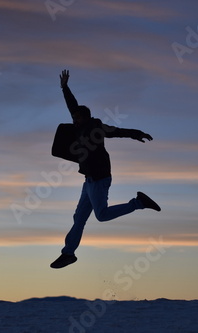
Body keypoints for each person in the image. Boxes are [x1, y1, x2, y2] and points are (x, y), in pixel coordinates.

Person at [50, 70, 161, 269]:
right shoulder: (80, 125)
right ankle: (68, 253)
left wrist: (136, 134)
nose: (73, 121)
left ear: (85, 118)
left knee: (101, 215)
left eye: (77, 118)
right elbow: (73, 105)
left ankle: (139, 203)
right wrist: (64, 87)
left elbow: (117, 132)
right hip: (89, 181)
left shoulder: (96, 128)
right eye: (73, 118)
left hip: (99, 179)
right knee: (79, 218)